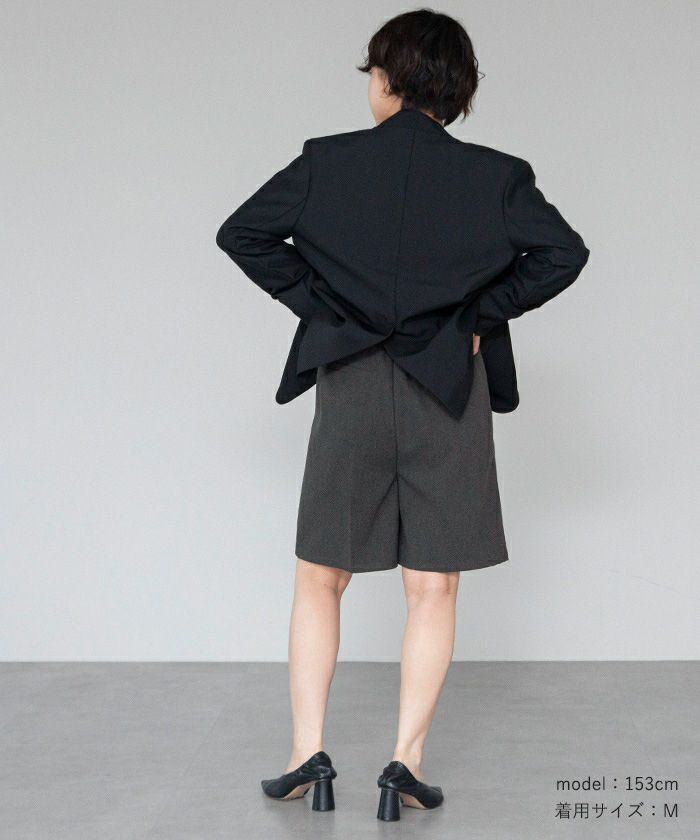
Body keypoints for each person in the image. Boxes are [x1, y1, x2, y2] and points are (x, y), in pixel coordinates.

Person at [216, 8, 589, 823]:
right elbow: (565, 253)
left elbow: (242, 234)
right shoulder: (497, 176)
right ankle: (404, 764)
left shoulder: (326, 163)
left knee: (321, 575)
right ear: (459, 89)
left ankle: (308, 754)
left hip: (351, 382)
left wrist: (324, 309)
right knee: (433, 586)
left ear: (385, 79)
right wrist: (478, 317)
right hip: (446, 387)